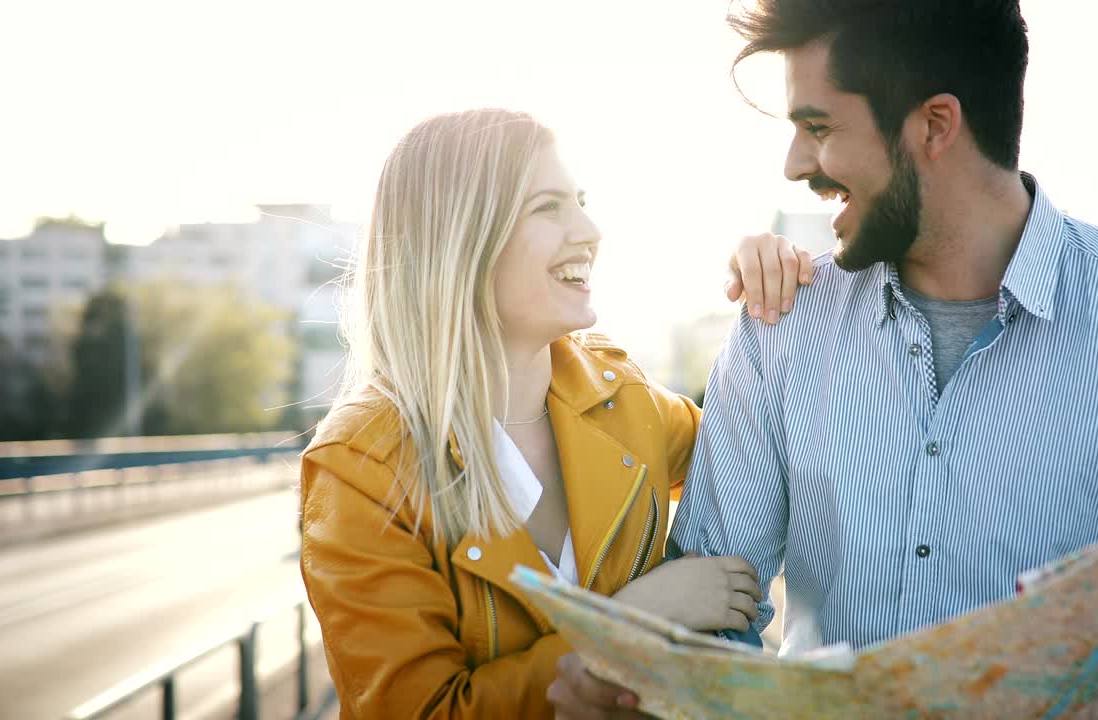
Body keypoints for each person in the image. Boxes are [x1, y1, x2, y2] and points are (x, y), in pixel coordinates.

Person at [547, 2, 1098, 718]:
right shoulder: (780, 326)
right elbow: (715, 595)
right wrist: (637, 680)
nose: (796, 164)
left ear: (935, 125)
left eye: (818, 127)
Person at [297, 108, 812, 719]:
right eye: (549, 207)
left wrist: (770, 267)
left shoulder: (625, 399)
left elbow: (769, 458)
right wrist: (636, 622)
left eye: (582, 201)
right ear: (460, 239)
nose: (590, 230)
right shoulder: (361, 465)